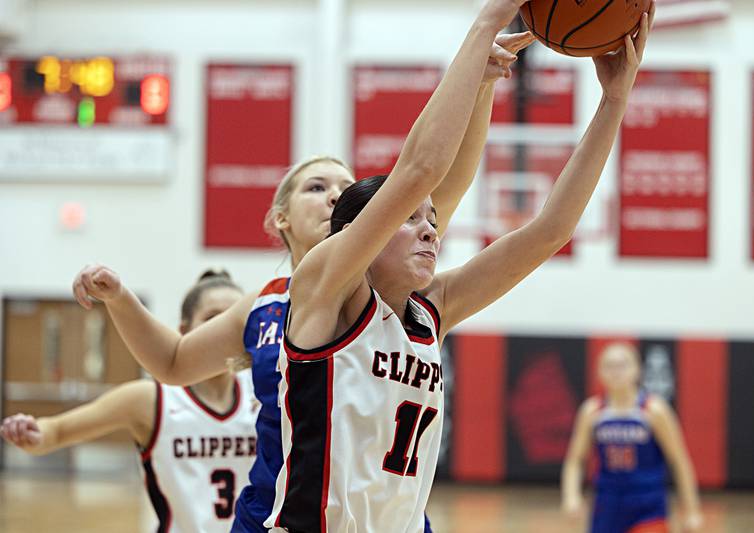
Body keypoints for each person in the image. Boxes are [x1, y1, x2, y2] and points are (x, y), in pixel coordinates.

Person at [70, 31, 534, 533]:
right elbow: (174, 362)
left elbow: (447, 179)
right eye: (317, 187)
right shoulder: (265, 307)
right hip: (281, 513)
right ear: (280, 219)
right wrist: (120, 298)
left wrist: (482, 86)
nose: (336, 195)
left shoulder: (393, 291)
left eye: (345, 186)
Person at [264, 1, 656, 530]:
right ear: (361, 234)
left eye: (432, 219)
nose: (430, 229)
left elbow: (550, 231)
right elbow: (420, 170)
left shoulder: (430, 314)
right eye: (409, 219)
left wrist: (613, 100)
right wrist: (487, 22)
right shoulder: (323, 289)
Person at [1, 270, 257, 533]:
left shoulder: (264, 391)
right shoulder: (151, 400)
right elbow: (56, 431)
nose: (223, 333)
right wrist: (31, 433)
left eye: (233, 321)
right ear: (184, 330)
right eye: (213, 319)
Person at [561, 342, 703, 533]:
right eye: (609, 366)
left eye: (622, 365)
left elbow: (678, 461)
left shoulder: (654, 410)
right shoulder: (592, 411)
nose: (616, 372)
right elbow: (575, 460)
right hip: (608, 504)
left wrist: (692, 510)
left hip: (648, 504)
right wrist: (571, 496)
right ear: (599, 372)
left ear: (637, 370)